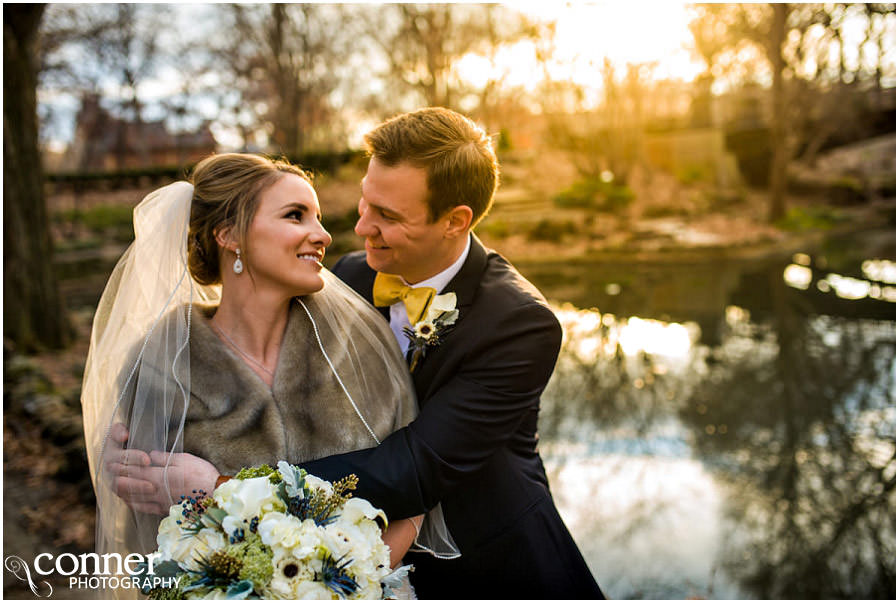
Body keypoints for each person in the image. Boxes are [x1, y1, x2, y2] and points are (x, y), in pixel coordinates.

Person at [111, 109, 603, 598]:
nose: (360, 226)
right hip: (326, 561)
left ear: (455, 221)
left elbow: (416, 468)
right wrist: (139, 445)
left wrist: (224, 486)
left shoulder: (519, 324)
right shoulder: (345, 279)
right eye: (366, 203)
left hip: (490, 561)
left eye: (387, 216)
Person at [82, 153, 457, 597]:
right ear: (229, 235)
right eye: (295, 215)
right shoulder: (160, 366)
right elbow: (150, 540)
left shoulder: (356, 345)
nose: (322, 234)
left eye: (317, 217)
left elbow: (412, 499)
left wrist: (338, 587)